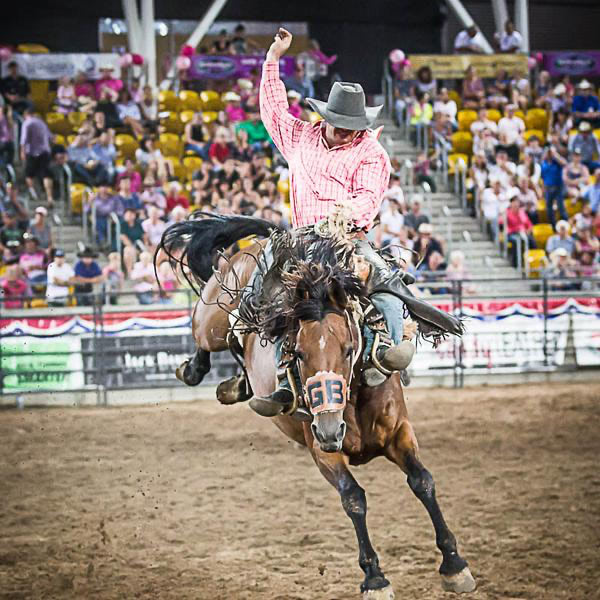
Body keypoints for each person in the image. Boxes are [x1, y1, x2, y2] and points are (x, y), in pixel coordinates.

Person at [247, 28, 460, 418]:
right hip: (301, 239)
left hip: (346, 238)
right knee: (268, 295)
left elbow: (367, 199)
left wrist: (342, 218)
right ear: (325, 117)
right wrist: (273, 60)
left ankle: (387, 351)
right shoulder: (300, 137)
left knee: (386, 284)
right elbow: (273, 111)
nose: (347, 130)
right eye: (341, 123)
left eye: (353, 125)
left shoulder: (371, 152)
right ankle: (281, 379)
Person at [20, 108, 54, 206]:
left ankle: (34, 194)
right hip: (45, 152)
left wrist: (22, 152)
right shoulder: (42, 123)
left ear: (26, 114)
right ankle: (49, 197)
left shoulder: (27, 123)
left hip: (32, 152)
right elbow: (51, 137)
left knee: (29, 175)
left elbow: (24, 139)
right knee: (46, 174)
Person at [541, 146, 568, 230]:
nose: (549, 154)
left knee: (561, 207)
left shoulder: (557, 162)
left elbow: (565, 163)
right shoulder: (544, 163)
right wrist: (543, 190)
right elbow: (543, 177)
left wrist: (555, 154)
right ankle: (553, 226)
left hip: (558, 187)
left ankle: (566, 224)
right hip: (548, 188)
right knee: (549, 209)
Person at [505, 194, 536, 267]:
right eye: (514, 202)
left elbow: (529, 224)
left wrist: (528, 230)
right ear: (511, 204)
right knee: (516, 242)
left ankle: (533, 261)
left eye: (517, 202)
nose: (516, 204)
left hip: (523, 233)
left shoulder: (522, 212)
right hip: (512, 233)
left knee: (531, 240)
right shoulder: (507, 213)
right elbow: (503, 224)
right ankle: (515, 264)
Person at [119, 207, 144, 274]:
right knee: (128, 251)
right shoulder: (122, 224)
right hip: (126, 246)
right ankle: (130, 272)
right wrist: (133, 248)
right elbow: (123, 237)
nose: (129, 216)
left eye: (131, 214)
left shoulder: (138, 224)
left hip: (139, 245)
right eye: (127, 215)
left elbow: (143, 235)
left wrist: (146, 245)